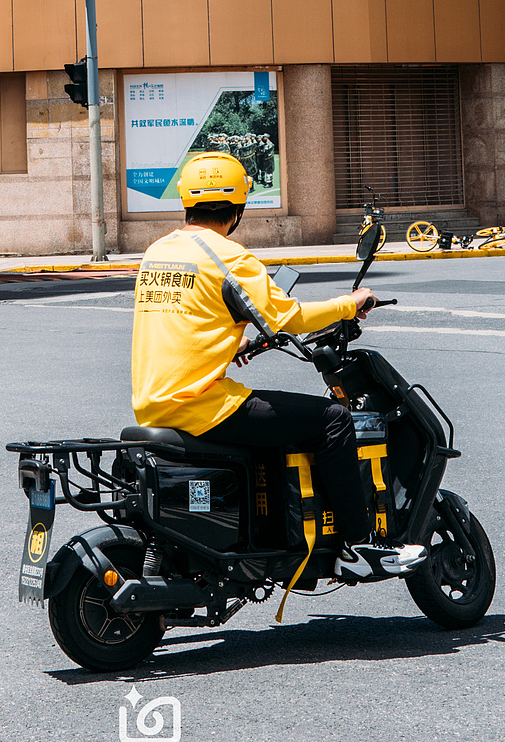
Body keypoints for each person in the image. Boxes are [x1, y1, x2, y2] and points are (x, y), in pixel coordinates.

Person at [130, 151, 409, 570]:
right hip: (201, 405)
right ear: (239, 208)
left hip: (152, 400)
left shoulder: (158, 252)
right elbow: (290, 317)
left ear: (186, 200)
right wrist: (349, 304)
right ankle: (360, 544)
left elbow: (191, 319)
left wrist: (235, 344)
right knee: (332, 418)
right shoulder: (229, 257)